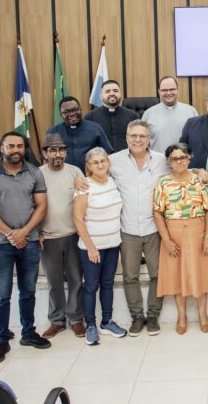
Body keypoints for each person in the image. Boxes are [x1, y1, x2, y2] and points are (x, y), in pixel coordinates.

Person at [0, 131, 50, 364]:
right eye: (11, 146)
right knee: (2, 293)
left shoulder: (34, 172)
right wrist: (10, 233)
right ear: (2, 149)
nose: (16, 150)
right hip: (0, 244)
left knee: (28, 290)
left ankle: (28, 333)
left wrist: (24, 232)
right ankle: (1, 339)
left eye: (20, 146)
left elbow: (41, 206)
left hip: (28, 241)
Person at [109, 120, 168, 336]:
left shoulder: (162, 160)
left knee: (158, 274)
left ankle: (153, 315)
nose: (137, 139)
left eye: (142, 136)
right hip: (127, 229)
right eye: (133, 135)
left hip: (154, 228)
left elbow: (182, 168)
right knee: (130, 276)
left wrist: (198, 171)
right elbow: (93, 172)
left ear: (148, 138)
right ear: (127, 138)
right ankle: (136, 317)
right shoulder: (113, 161)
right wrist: (79, 179)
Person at [153, 143, 208, 334]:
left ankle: (202, 314)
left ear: (189, 158)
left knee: (201, 272)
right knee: (176, 275)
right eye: (174, 158)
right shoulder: (162, 182)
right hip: (173, 232)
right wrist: (166, 240)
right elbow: (157, 212)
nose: (179, 161)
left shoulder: (199, 180)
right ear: (169, 161)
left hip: (197, 231)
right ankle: (182, 316)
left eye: (183, 157)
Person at [73, 147, 127, 345]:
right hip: (92, 247)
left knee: (107, 284)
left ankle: (106, 321)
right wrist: (91, 247)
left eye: (103, 161)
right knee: (90, 286)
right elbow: (78, 219)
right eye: (95, 162)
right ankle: (91, 326)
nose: (100, 165)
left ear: (108, 163)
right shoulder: (84, 186)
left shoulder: (113, 182)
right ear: (88, 166)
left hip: (112, 244)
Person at [38, 133, 86, 339]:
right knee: (54, 281)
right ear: (45, 153)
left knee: (76, 279)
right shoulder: (36, 174)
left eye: (61, 150)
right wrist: (36, 231)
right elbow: (32, 205)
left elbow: (85, 201)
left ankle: (76, 319)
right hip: (48, 237)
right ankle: (57, 320)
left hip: (73, 235)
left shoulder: (75, 172)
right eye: (53, 150)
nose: (58, 154)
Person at [47, 96, 113, 170]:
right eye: (66, 112)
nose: (72, 114)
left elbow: (107, 153)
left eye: (75, 110)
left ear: (81, 110)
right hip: (63, 176)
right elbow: (46, 158)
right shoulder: (53, 132)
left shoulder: (95, 128)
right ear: (61, 115)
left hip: (91, 176)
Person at [142, 76, 198, 153]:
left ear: (177, 90)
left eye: (172, 89)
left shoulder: (191, 111)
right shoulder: (148, 114)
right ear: (159, 91)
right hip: (158, 163)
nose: (168, 93)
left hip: (184, 162)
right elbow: (143, 142)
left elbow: (197, 140)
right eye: (164, 90)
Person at [84, 79, 139, 152]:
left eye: (115, 91)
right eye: (107, 91)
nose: (112, 93)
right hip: (101, 160)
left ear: (120, 94)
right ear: (101, 96)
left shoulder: (133, 116)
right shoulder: (90, 117)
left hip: (126, 158)